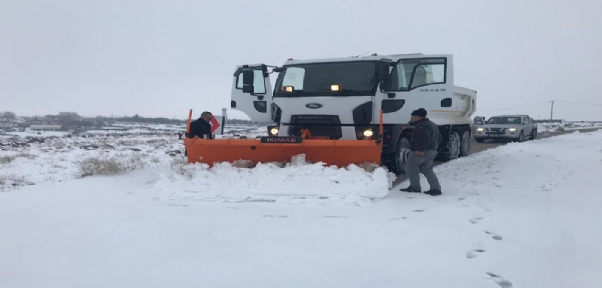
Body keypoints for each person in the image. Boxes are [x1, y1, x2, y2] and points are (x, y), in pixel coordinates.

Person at [400, 108, 442, 196]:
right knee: (426, 169)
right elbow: (440, 137)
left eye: (413, 116)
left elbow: (425, 138)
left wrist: (420, 150)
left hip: (421, 152)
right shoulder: (432, 124)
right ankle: (436, 189)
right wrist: (434, 148)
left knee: (410, 168)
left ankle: (415, 187)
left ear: (419, 117)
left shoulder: (421, 126)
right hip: (432, 151)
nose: (412, 118)